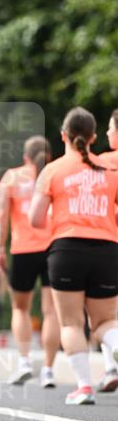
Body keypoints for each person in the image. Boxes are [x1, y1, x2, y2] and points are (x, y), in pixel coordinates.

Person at [29, 106, 118, 405]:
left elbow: (35, 219)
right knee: (105, 322)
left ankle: (83, 388)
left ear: (63, 135)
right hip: (107, 249)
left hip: (66, 250)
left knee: (70, 323)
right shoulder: (109, 171)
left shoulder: (52, 170)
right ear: (93, 137)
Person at [0, 136, 60, 387]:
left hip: (23, 250)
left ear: (25, 157)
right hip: (53, 249)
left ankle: (24, 362)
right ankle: (48, 370)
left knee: (20, 309)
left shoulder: (11, 177)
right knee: (51, 311)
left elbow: (2, 216)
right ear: (49, 156)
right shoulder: (54, 174)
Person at [95, 108, 118, 392]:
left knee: (106, 312)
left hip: (108, 242)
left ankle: (111, 367)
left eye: (111, 128)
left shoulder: (102, 163)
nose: (107, 134)